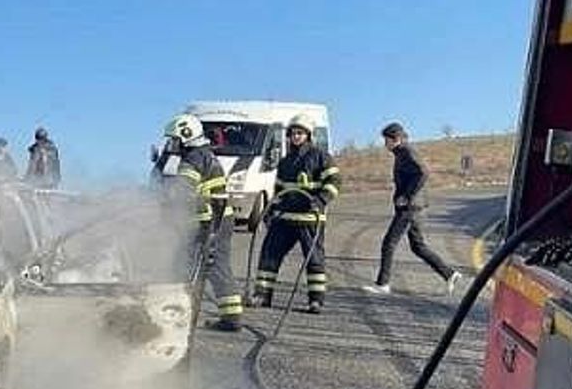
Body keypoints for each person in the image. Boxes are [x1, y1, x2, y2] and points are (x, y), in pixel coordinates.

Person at [155, 113, 243, 331]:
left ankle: (230, 317)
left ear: (186, 136)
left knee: (213, 264)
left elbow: (182, 191)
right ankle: (186, 311)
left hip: (213, 221)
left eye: (174, 139)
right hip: (209, 219)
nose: (171, 144)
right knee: (188, 263)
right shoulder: (198, 155)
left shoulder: (194, 159)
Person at [252, 114, 341, 314]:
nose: (296, 136)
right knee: (269, 254)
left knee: (314, 259)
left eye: (300, 133)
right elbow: (279, 189)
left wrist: (320, 200)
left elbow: (335, 182)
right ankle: (262, 295)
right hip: (285, 218)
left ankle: (316, 301)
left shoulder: (321, 157)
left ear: (308, 135)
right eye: (293, 133)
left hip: (309, 218)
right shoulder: (286, 162)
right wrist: (272, 210)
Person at [363, 122, 462, 295]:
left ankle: (382, 284)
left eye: (386, 140)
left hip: (410, 207)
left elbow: (423, 172)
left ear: (396, 139)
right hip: (415, 207)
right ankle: (449, 274)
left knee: (389, 243)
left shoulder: (406, 152)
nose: (385, 144)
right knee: (418, 246)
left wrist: (407, 196)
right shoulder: (401, 152)